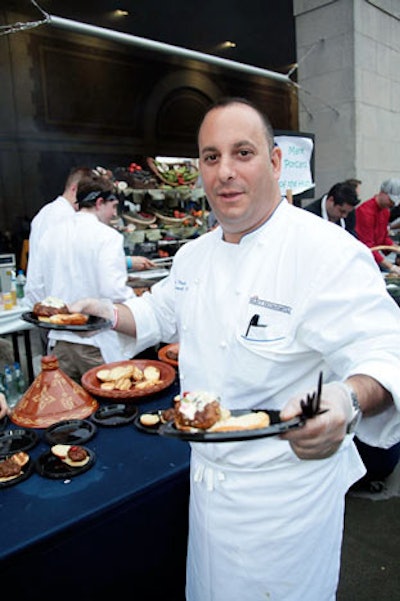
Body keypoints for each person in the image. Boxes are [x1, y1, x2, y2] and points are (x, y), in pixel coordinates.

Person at [70, 98, 400, 601]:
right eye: (210, 156)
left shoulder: (326, 252)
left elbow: (386, 349)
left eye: (242, 153)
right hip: (208, 489)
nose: (225, 171)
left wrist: (347, 399)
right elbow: (159, 313)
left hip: (285, 502)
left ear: (273, 163)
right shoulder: (194, 255)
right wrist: (107, 311)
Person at [27, 174, 136, 383]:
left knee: (68, 409)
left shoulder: (50, 235)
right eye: (112, 207)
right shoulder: (108, 236)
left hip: (59, 344)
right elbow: (113, 291)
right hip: (97, 344)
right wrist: (139, 305)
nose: (114, 214)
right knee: (106, 410)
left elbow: (34, 288)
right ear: (99, 202)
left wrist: (58, 315)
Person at [355, 178, 400, 274]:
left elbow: (383, 239)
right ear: (382, 192)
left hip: (373, 256)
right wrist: (391, 267)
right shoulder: (365, 212)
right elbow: (368, 246)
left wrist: (397, 249)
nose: (392, 204)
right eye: (391, 200)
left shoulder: (385, 211)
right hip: (362, 258)